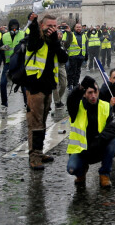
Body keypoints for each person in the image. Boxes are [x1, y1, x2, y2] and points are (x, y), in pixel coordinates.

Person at [25, 13, 68, 170]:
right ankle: (34, 157)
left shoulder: (54, 41)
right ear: (42, 26)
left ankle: (39, 151)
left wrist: (56, 41)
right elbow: (32, 42)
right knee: (35, 122)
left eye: (54, 26)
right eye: (49, 26)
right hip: (34, 85)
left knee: (42, 121)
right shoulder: (36, 38)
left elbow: (64, 58)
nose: (52, 29)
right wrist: (34, 21)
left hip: (48, 86)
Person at [66, 76, 115, 187]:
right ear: (84, 94)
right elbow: (70, 100)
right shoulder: (76, 107)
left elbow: (112, 128)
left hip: (98, 147)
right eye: (89, 92)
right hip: (81, 150)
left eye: (95, 92)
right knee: (71, 169)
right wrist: (80, 87)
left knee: (112, 141)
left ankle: (104, 174)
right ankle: (81, 173)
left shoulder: (106, 106)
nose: (93, 96)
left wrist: (98, 141)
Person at [0, 19, 26, 114]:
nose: (14, 28)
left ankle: (27, 104)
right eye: (12, 26)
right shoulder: (4, 36)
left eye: (16, 26)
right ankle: (4, 104)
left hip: (20, 63)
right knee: (2, 83)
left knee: (23, 85)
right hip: (8, 63)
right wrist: (2, 48)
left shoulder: (23, 34)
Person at [62, 23, 86, 92]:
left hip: (81, 56)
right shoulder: (70, 34)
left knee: (78, 71)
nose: (78, 28)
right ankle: (70, 85)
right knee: (72, 71)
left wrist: (86, 55)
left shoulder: (83, 35)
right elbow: (64, 43)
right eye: (77, 27)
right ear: (74, 28)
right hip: (73, 55)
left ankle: (76, 84)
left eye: (80, 27)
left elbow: (85, 45)